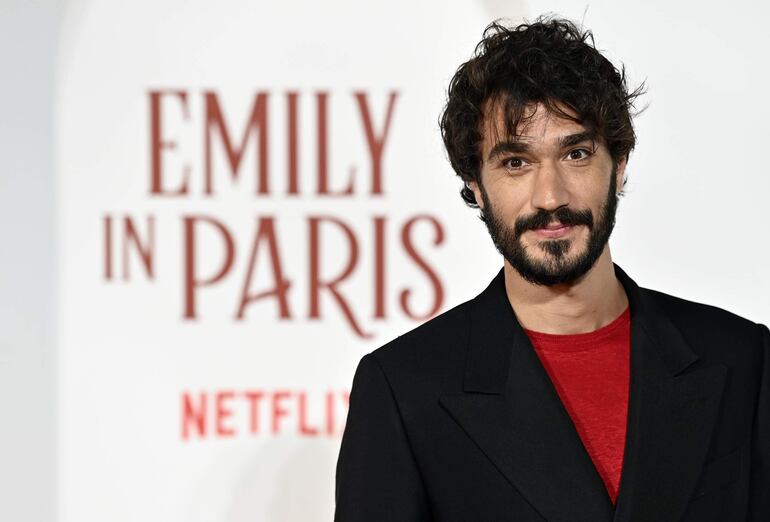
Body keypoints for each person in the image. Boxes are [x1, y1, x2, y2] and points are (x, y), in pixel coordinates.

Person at [334, 15, 769, 522]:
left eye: (577, 154)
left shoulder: (744, 360)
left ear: (620, 163)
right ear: (475, 183)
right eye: (515, 162)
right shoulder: (404, 388)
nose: (551, 197)